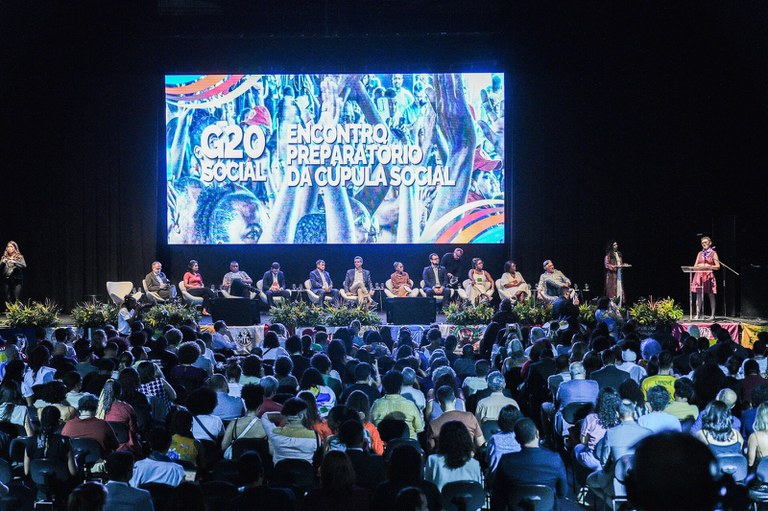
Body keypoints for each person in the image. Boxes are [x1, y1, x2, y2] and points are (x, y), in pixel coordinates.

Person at [491, 418, 567, 511]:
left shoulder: (506, 460)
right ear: (537, 434)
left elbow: (498, 492)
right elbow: (562, 492)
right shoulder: (555, 459)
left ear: (516, 439)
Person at [301, 450, 370, 511]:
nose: (319, 469)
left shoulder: (313, 497)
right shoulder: (362, 496)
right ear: (349, 470)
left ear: (325, 470)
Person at [423, 421, 483, 491]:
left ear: (443, 439)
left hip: (442, 501)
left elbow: (427, 488)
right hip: (469, 501)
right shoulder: (474, 464)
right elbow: (478, 489)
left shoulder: (433, 460)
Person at [691, 236, 720, 320]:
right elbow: (694, 266)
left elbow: (718, 266)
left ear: (710, 243)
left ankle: (712, 315)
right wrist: (699, 266)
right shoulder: (700, 253)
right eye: (702, 243)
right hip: (699, 275)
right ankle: (697, 314)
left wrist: (709, 266)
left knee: (711, 294)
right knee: (698, 295)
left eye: (706, 242)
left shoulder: (713, 253)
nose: (704, 244)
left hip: (709, 275)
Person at [0, 241, 26, 307]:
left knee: (17, 297)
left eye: (11, 246)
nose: (9, 248)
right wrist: (2, 262)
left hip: (17, 280)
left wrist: (14, 262)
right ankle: (11, 312)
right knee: (8, 297)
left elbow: (24, 266)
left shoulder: (20, 257)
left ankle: (18, 313)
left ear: (15, 248)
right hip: (7, 280)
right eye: (8, 247)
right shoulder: (4, 257)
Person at [604, 240, 628, 306]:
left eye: (616, 244)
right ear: (611, 246)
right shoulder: (609, 255)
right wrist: (617, 266)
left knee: (619, 290)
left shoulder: (619, 254)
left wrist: (623, 265)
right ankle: (612, 308)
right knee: (612, 292)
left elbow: (620, 264)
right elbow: (607, 265)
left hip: (619, 274)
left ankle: (619, 307)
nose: (616, 246)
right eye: (614, 245)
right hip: (612, 276)